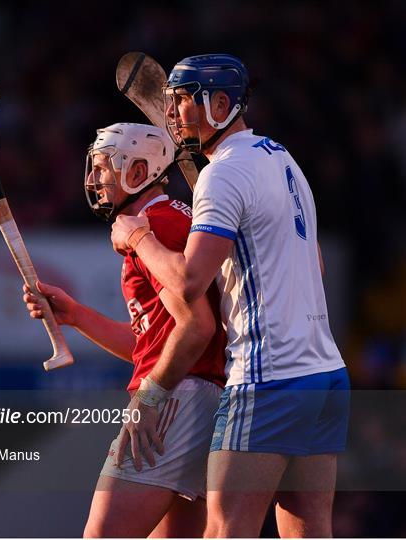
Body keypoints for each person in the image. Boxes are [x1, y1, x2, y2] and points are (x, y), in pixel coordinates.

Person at [111, 55, 350, 538]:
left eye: (182, 100)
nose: (173, 112)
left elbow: (189, 284)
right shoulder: (283, 159)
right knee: (310, 531)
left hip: (268, 377)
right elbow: (315, 266)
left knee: (224, 531)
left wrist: (138, 238)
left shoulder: (224, 173)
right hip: (325, 374)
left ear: (220, 103)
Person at [23, 122, 226, 538]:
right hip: (200, 394)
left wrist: (150, 397)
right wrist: (77, 315)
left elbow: (197, 327)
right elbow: (155, 342)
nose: (94, 178)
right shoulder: (166, 220)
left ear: (137, 172)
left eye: (103, 166)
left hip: (176, 397)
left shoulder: (156, 226)